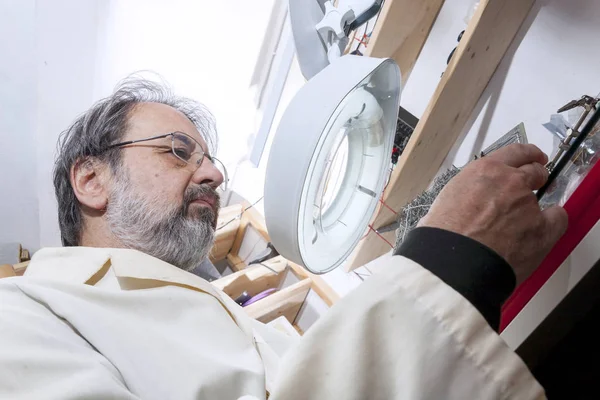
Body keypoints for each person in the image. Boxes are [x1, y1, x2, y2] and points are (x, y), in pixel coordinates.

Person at [0, 78, 567, 399]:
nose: (215, 175)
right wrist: (451, 265)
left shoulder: (206, 308)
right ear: (92, 180)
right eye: (177, 151)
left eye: (209, 160)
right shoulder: (21, 316)